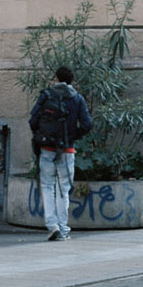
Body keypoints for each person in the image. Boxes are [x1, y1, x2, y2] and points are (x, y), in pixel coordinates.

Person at [29, 64, 92, 241]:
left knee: (47, 186)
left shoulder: (47, 95)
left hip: (47, 148)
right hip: (67, 149)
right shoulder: (77, 98)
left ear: (56, 79)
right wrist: (72, 137)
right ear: (72, 81)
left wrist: (41, 136)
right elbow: (87, 125)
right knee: (64, 189)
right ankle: (63, 229)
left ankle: (52, 225)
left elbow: (33, 120)